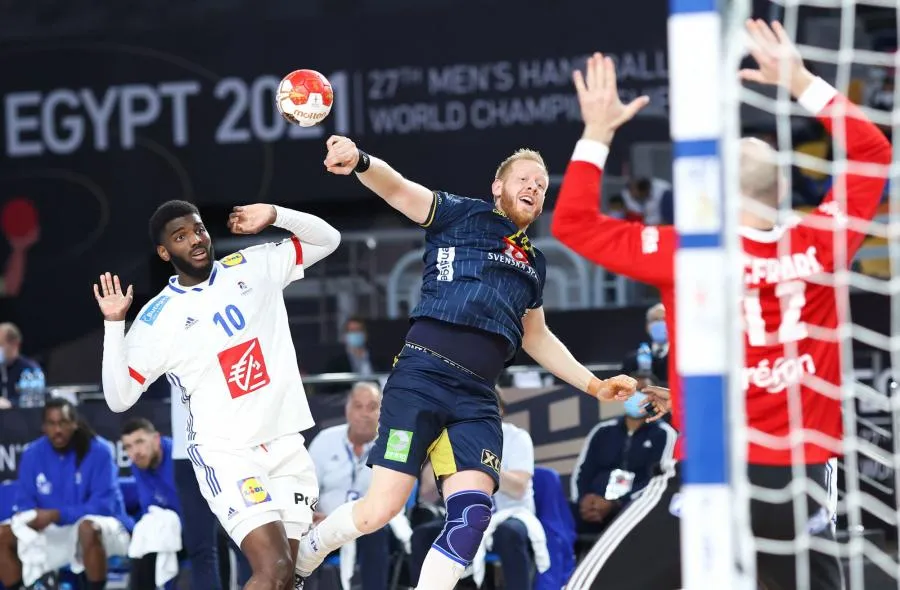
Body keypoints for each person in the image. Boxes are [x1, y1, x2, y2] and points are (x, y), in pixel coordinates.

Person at [551, 21, 890, 589]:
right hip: (802, 480)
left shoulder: (688, 251)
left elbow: (573, 223)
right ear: (782, 190)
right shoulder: (823, 240)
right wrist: (803, 81)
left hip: (710, 475)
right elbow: (872, 151)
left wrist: (597, 132)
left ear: (718, 189)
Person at [294, 134, 636, 588]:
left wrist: (593, 384)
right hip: (421, 377)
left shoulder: (535, 263)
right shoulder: (463, 214)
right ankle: (306, 553)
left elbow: (537, 337)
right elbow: (397, 189)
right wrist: (360, 161)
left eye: (542, 185)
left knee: (474, 515)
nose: (534, 188)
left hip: (476, 398)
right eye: (524, 180)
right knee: (380, 511)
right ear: (498, 187)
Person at [94, 200, 341, 590]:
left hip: (285, 443)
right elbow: (118, 398)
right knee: (274, 568)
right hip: (227, 452)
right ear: (164, 252)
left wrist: (275, 215)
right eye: (180, 236)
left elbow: (329, 238)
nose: (195, 240)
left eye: (198, 230)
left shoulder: (253, 265)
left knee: (288, 577)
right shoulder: (159, 317)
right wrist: (114, 325)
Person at [409, 391, 542, 589]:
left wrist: (481, 461)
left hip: (510, 514)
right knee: (422, 535)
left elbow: (518, 488)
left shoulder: (517, 437)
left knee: (509, 534)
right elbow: (426, 493)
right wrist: (439, 441)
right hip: (464, 515)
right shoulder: (454, 438)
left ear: (500, 410)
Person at [0, 399, 133, 590]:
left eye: (63, 423)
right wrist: (32, 517)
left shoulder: (99, 451)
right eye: (52, 424)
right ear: (44, 427)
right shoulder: (32, 454)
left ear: (74, 423)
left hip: (101, 528)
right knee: (3, 535)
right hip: (51, 530)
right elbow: (24, 502)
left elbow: (104, 506)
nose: (58, 430)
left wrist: (58, 514)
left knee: (88, 527)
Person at [306, 382, 396, 590]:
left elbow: (392, 496)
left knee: (376, 532)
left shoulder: (392, 445)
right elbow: (307, 488)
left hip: (369, 523)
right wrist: (312, 515)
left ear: (382, 412)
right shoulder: (325, 440)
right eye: (358, 406)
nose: (365, 413)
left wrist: (360, 520)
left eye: (372, 406)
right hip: (324, 522)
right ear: (347, 410)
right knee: (302, 532)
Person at [570, 374, 676, 535]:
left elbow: (658, 479)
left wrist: (617, 503)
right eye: (632, 391)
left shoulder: (664, 434)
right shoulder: (603, 430)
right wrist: (585, 500)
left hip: (635, 507)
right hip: (594, 505)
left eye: (643, 391)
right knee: (565, 514)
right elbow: (583, 472)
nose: (637, 396)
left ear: (655, 397)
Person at [120, 418, 182, 590]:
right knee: (144, 534)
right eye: (128, 447)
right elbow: (150, 507)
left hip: (197, 529)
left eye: (140, 442)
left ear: (156, 439)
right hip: (167, 531)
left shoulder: (178, 457)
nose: (135, 452)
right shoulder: (138, 464)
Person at [0, 322, 45, 408]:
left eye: (0, 344)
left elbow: (33, 403)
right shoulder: (2, 369)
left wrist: (9, 404)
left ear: (14, 344)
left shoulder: (30, 369)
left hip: (21, 418)